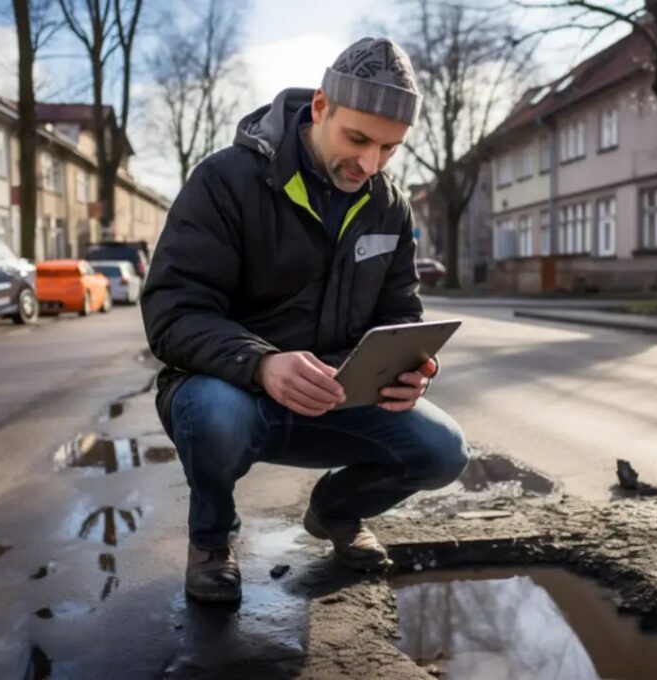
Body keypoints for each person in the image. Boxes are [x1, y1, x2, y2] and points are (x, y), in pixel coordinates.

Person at [141, 37, 469, 604]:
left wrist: (412, 367)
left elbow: (399, 314)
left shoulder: (389, 205)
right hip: (232, 389)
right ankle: (213, 540)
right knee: (214, 415)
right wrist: (262, 363)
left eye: (389, 149)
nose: (369, 164)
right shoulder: (225, 181)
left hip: (335, 396)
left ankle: (336, 512)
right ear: (320, 108)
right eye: (358, 138)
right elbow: (173, 312)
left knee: (444, 450)